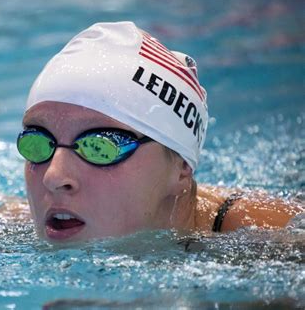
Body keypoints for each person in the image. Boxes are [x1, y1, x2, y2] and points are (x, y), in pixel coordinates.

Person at [16, 21, 303, 242]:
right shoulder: (9, 227)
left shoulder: (275, 239)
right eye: (38, 143)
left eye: (100, 146)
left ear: (180, 167)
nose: (53, 177)